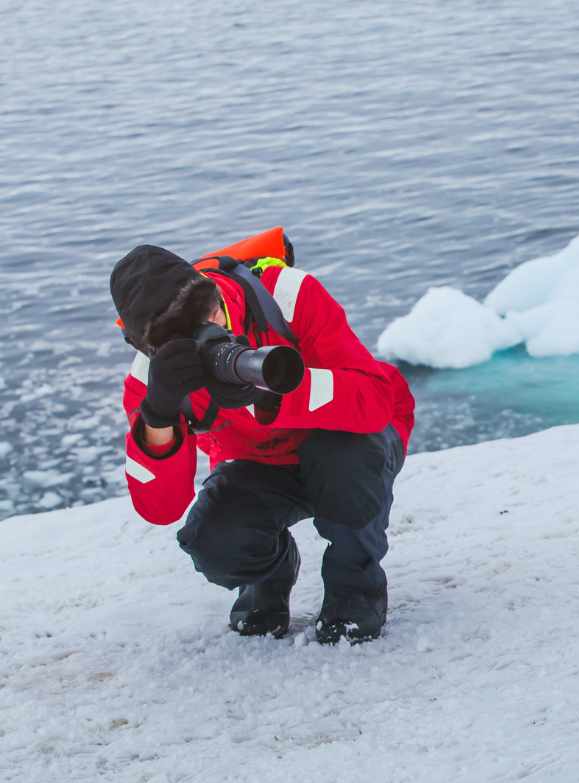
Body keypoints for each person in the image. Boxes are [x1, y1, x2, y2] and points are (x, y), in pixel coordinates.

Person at [110, 230, 415, 644]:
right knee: (213, 542)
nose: (211, 331)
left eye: (211, 313)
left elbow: (375, 401)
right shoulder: (151, 378)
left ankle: (355, 590)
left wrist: (274, 394)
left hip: (350, 442)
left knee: (347, 464)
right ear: (142, 346)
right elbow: (160, 508)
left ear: (213, 291)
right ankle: (270, 575)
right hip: (261, 465)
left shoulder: (285, 297)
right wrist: (158, 415)